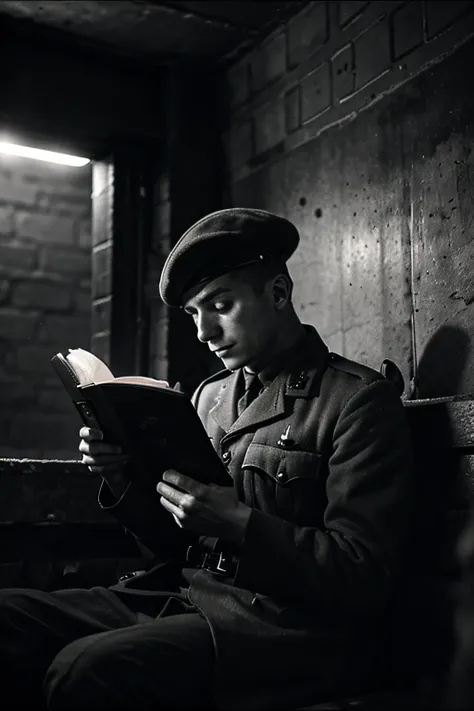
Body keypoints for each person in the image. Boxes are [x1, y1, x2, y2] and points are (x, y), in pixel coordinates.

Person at [0, 207, 414, 710]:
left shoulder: (355, 400)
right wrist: (123, 477)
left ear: (278, 293)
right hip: (186, 595)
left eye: (219, 305)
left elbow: (364, 575)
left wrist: (242, 524)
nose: (204, 332)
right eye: (194, 314)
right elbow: (171, 547)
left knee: (86, 671)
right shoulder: (209, 397)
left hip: (281, 626)